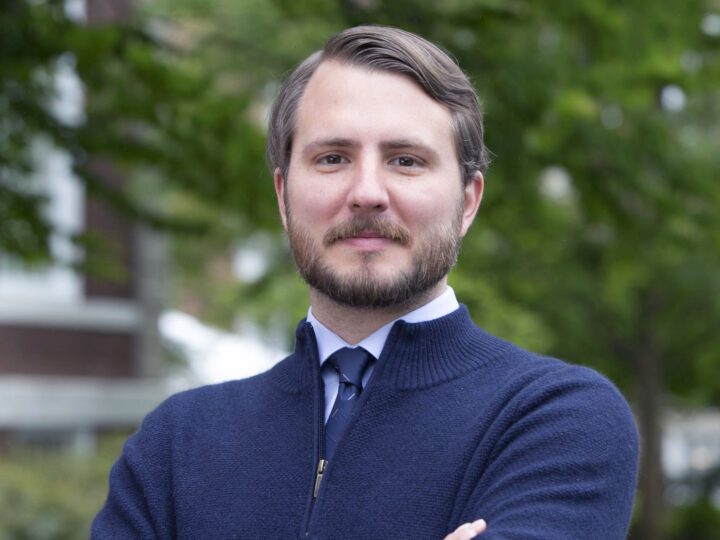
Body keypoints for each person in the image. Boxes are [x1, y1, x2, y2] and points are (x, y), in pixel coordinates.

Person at [92, 25, 638, 539]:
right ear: (283, 197)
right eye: (332, 158)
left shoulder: (556, 420)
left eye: (405, 160)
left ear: (468, 202)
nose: (367, 192)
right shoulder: (174, 447)